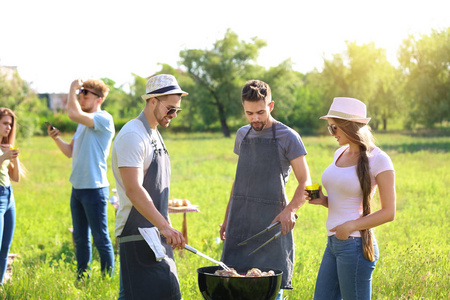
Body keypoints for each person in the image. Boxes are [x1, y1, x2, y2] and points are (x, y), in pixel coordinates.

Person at [220, 80, 311, 299]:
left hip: (271, 225)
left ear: (271, 106)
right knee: (236, 289)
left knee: (269, 290)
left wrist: (290, 210)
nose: (255, 118)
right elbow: (239, 181)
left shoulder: (288, 137)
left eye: (260, 112)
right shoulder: (243, 135)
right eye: (249, 113)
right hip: (241, 222)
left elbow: (305, 181)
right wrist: (227, 219)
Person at [310, 97, 396, 299]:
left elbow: (388, 212)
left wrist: (349, 227)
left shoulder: (379, 160)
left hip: (355, 245)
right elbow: (343, 201)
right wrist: (323, 200)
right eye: (330, 128)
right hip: (333, 242)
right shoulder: (339, 153)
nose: (331, 134)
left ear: (350, 127)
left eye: (334, 128)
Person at [112, 74, 187, 300]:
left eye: (177, 110)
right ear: (152, 100)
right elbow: (133, 189)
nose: (173, 115)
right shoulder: (133, 136)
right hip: (136, 233)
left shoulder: (154, 133)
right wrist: (164, 227)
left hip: (154, 231)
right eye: (170, 108)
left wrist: (166, 226)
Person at [47, 79, 115, 279]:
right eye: (81, 93)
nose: (81, 96)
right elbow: (69, 151)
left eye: (85, 93)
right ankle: (82, 277)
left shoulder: (104, 118)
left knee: (100, 238)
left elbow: (73, 113)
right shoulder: (83, 124)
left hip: (95, 189)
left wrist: (71, 87)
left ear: (99, 99)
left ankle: (106, 280)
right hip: (77, 188)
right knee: (80, 238)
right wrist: (56, 138)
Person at [0, 108, 23, 284]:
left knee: (5, 248)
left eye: (11, 124)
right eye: (5, 123)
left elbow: (16, 178)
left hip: (9, 197)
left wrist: (13, 157)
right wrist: (4, 157)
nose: (9, 128)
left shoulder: (6, 146)